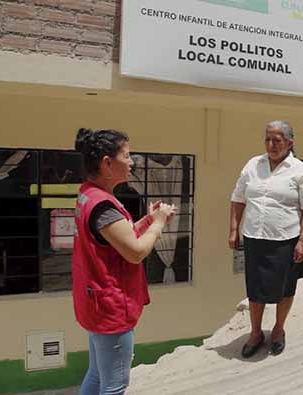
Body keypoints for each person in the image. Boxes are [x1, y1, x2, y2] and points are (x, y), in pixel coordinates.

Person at [72, 128, 177, 395]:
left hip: (95, 301)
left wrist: (147, 221)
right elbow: (136, 251)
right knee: (114, 386)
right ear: (107, 163)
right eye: (127, 156)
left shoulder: (90, 194)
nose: (132, 162)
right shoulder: (104, 206)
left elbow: (117, 237)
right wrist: (160, 223)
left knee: (97, 374)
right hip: (110, 307)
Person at [229, 120, 303, 358]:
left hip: (286, 240)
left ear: (290, 143)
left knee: (285, 288)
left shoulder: (300, 170)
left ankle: (278, 330)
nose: (271, 144)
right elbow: (238, 198)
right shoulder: (252, 165)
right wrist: (233, 228)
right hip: (255, 238)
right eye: (268, 139)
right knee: (255, 289)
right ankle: (256, 332)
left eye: (277, 140)